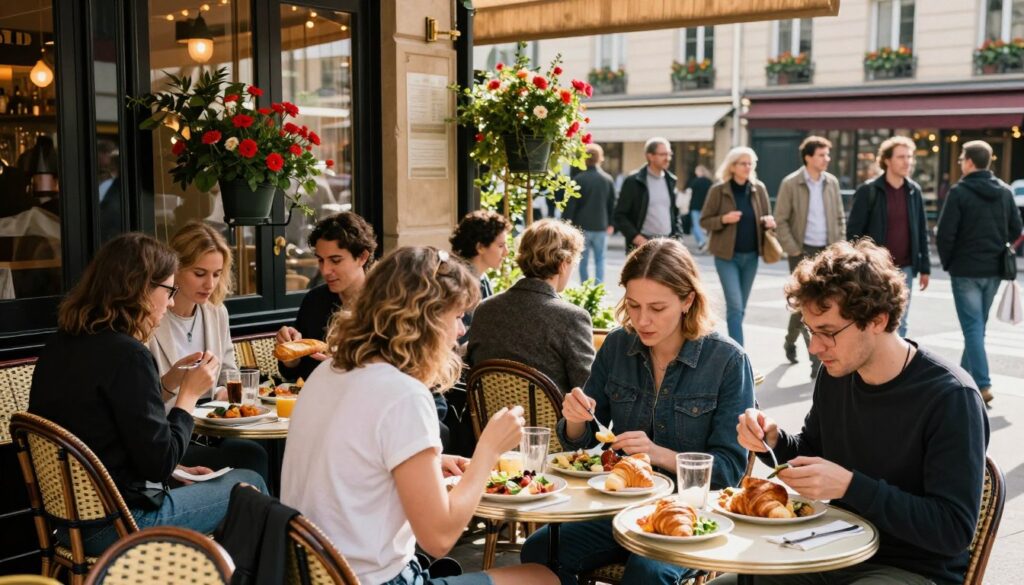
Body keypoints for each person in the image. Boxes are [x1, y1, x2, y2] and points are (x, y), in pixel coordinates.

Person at [714, 240, 989, 585]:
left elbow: (952, 529)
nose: (815, 348)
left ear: (877, 320)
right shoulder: (836, 375)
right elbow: (813, 454)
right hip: (832, 549)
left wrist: (852, 486)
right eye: (811, 332)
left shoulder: (951, 397)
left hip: (912, 570)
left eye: (828, 333)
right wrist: (773, 440)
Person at [280, 246, 557, 585]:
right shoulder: (402, 394)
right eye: (456, 316)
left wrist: (427, 461)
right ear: (423, 319)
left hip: (313, 575)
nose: (460, 331)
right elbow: (439, 540)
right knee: (543, 577)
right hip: (374, 580)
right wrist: (487, 453)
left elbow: (350, 463)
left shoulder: (329, 371)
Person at [521, 238, 755, 585]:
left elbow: (729, 472)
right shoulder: (617, 345)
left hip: (690, 515)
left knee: (648, 572)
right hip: (621, 508)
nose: (642, 320)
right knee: (539, 551)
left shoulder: (727, 361)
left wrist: (658, 454)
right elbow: (580, 441)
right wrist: (574, 418)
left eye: (657, 308)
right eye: (633, 306)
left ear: (687, 300)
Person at [28, 233, 266, 555]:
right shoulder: (128, 355)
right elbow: (158, 461)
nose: (170, 302)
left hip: (67, 525)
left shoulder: (59, 344)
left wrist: (177, 471)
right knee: (250, 483)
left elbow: (113, 441)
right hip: (122, 524)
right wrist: (188, 396)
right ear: (138, 289)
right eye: (167, 291)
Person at [148, 221, 269, 482]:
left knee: (262, 449)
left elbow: (228, 371)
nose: (210, 284)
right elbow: (145, 398)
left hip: (213, 429)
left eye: (217, 274)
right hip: (170, 437)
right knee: (251, 457)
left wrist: (226, 391)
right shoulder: (152, 316)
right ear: (176, 269)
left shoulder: (216, 311)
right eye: (200, 273)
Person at [936, 140, 1022, 405]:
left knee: (973, 328)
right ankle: (961, 380)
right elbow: (1016, 228)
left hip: (965, 269)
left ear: (970, 162)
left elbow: (945, 234)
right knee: (976, 328)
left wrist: (948, 262)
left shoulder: (959, 192)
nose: (961, 162)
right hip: (994, 269)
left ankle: (982, 384)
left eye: (962, 158)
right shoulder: (1005, 192)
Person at [466, 219, 594, 394]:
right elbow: (588, 390)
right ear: (563, 263)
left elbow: (472, 371)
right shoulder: (572, 318)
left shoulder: (485, 309)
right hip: (550, 421)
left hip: (489, 419)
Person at [774, 136, 847, 376]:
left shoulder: (832, 182)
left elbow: (839, 216)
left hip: (827, 252)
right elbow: (781, 219)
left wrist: (839, 247)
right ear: (808, 157)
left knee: (811, 304)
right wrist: (793, 248)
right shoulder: (791, 183)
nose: (827, 159)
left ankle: (789, 341)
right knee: (807, 303)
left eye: (828, 154)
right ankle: (816, 363)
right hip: (801, 251)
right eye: (822, 155)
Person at [276, 211, 377, 381]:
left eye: (335, 260)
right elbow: (294, 375)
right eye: (321, 260)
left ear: (362, 257)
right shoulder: (314, 301)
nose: (325, 270)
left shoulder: (383, 305)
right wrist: (291, 358)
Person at [846, 135, 930, 336]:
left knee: (901, 322)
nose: (907, 162)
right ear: (887, 160)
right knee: (873, 319)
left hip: (906, 268)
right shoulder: (869, 190)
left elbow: (921, 229)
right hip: (875, 268)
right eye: (901, 157)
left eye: (910, 157)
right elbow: (853, 233)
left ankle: (897, 367)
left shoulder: (913, 191)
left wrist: (925, 267)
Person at [700, 147, 776, 347]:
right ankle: (737, 351)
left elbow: (768, 217)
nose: (748, 167)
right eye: (743, 163)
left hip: (751, 256)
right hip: (726, 257)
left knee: (741, 307)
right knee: (734, 305)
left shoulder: (758, 189)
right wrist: (724, 219)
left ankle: (729, 346)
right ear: (732, 166)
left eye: (751, 163)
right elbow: (704, 221)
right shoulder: (719, 190)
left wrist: (769, 222)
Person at [449, 209, 512, 339]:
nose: (506, 252)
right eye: (501, 246)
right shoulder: (458, 283)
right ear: (480, 247)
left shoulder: (482, 278)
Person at [613, 137, 680, 252]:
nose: (667, 158)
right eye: (663, 154)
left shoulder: (671, 180)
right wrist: (637, 238)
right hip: (642, 244)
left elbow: (675, 214)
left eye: (669, 154)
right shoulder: (633, 181)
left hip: (667, 243)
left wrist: (678, 238)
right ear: (650, 156)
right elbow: (619, 215)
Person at [563, 143, 616, 284]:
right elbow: (612, 205)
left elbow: (571, 206)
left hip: (582, 226)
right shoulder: (607, 179)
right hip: (601, 225)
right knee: (600, 259)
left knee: (582, 260)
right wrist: (611, 223)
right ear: (600, 158)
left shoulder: (579, 179)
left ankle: (584, 286)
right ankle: (598, 288)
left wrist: (567, 224)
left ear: (585, 159)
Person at [688, 165, 712, 252]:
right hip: (706, 206)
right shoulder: (709, 182)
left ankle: (702, 241)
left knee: (696, 225)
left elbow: (689, 193)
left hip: (695, 206)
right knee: (705, 225)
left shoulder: (695, 181)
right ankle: (703, 242)